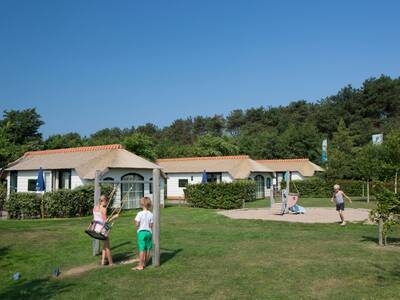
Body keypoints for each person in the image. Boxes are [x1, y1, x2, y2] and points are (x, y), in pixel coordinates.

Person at [93, 195, 118, 266]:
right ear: (104, 201)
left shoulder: (95, 208)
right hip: (102, 230)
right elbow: (105, 222)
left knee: (104, 245)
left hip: (95, 229)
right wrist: (114, 217)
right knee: (107, 246)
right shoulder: (103, 209)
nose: (107, 204)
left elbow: (97, 219)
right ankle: (111, 263)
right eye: (106, 202)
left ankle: (102, 262)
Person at [133, 197, 153, 271]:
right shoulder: (151, 214)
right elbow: (151, 225)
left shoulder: (139, 213)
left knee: (142, 249)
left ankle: (140, 266)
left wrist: (137, 226)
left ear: (142, 204)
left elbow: (137, 224)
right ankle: (145, 263)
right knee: (148, 248)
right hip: (149, 233)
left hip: (141, 232)